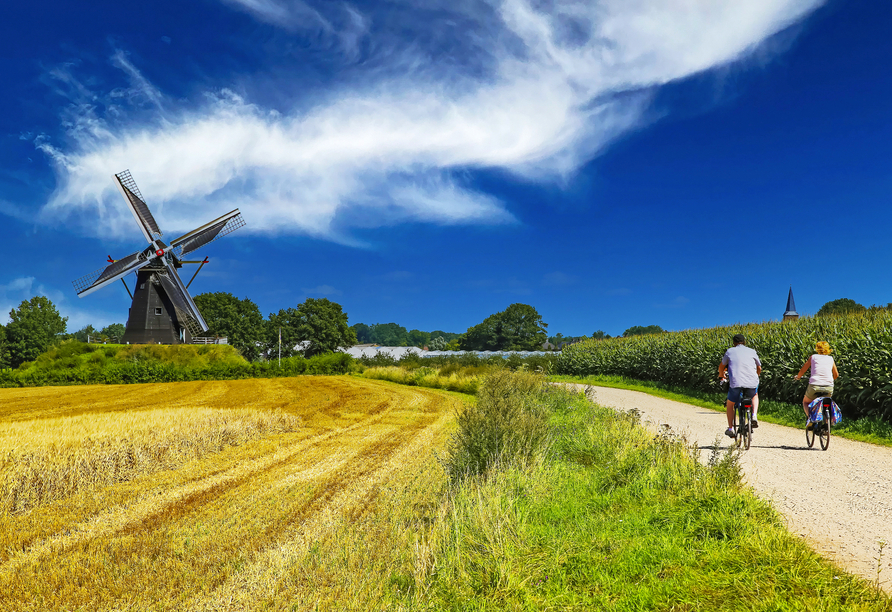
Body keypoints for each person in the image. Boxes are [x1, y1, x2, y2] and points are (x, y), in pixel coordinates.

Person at [718, 334, 762, 438]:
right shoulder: (752, 351)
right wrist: (756, 376)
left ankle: (730, 428)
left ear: (734, 343)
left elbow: (721, 366)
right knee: (754, 395)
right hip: (752, 382)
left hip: (736, 382)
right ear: (744, 342)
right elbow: (759, 368)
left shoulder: (730, 351)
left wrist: (721, 375)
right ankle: (754, 415)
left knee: (730, 404)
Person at [794, 341, 839, 429]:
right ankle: (827, 424)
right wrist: (829, 381)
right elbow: (836, 375)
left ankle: (810, 418)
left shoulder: (813, 357)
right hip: (829, 386)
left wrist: (798, 377)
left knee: (806, 402)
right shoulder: (830, 359)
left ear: (817, 349)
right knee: (827, 403)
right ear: (828, 349)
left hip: (815, 385)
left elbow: (803, 369)